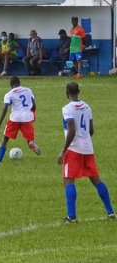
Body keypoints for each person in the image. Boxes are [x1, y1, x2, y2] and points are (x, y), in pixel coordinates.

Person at [58, 82, 115, 222]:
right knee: (96, 180)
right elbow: (91, 130)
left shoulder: (67, 108)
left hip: (73, 149)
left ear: (67, 93)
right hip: (88, 148)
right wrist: (85, 141)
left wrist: (63, 150)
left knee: (68, 180)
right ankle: (110, 212)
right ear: (78, 91)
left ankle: (71, 216)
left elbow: (71, 129)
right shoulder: (87, 107)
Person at [0, 76, 41, 163]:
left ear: (11, 85)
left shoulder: (9, 94)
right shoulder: (28, 90)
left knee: (5, 139)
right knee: (29, 139)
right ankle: (32, 144)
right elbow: (34, 105)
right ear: (19, 83)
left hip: (15, 119)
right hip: (27, 118)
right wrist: (30, 114)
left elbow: (5, 108)